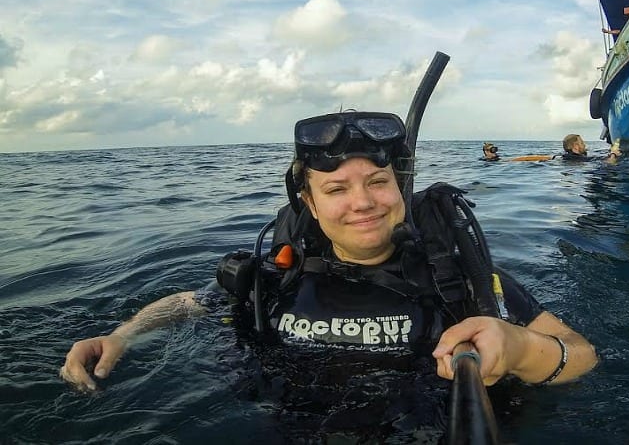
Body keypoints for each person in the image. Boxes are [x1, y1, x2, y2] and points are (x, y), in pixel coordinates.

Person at [61, 111, 598, 393]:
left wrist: (522, 349)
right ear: (310, 204)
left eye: (378, 182)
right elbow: (188, 303)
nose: (363, 203)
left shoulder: (459, 278)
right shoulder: (279, 275)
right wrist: (122, 336)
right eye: (337, 189)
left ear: (401, 190)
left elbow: (581, 354)